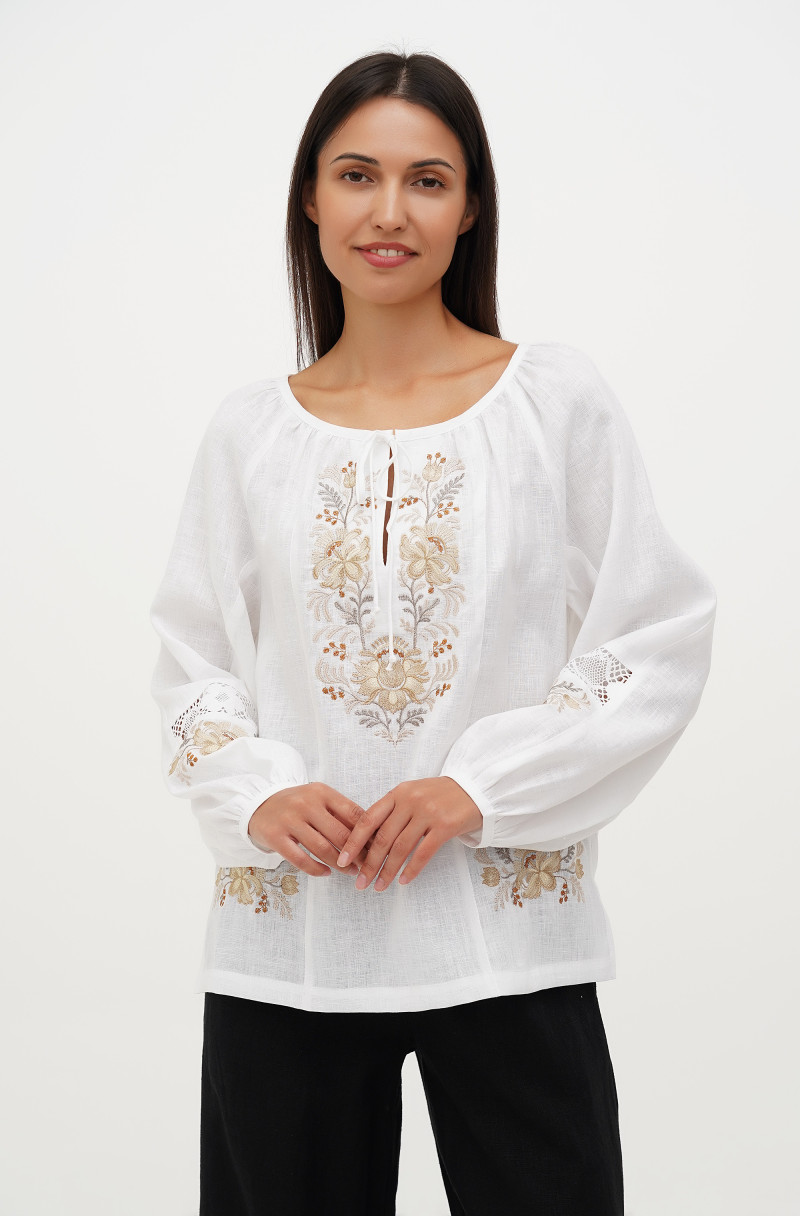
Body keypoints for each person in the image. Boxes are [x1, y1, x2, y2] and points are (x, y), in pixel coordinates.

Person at [149, 50, 716, 1216]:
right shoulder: (250, 432)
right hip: (294, 947)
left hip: (505, 940)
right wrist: (255, 792)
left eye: (427, 180)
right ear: (311, 199)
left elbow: (655, 631)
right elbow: (190, 654)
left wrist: (480, 788)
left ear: (469, 209)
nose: (389, 212)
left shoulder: (551, 403)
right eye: (357, 175)